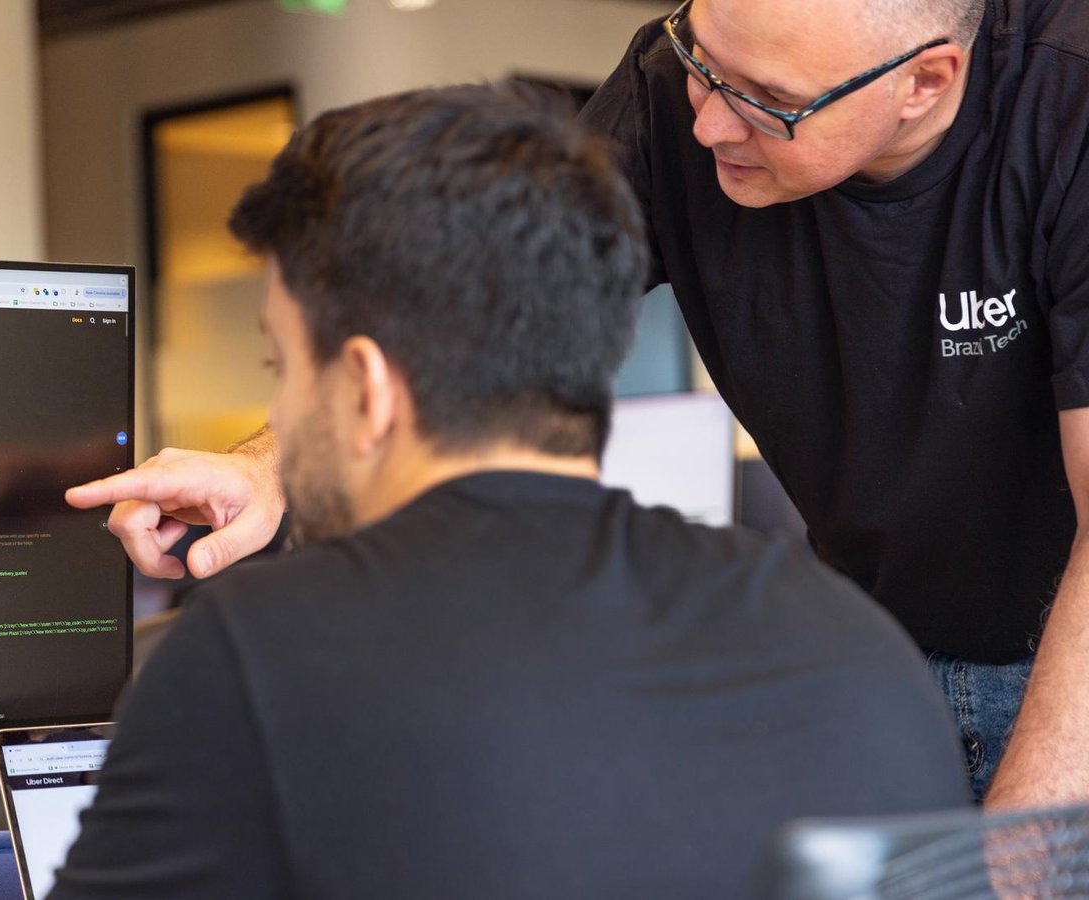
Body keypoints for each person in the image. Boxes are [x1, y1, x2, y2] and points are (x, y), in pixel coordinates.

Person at [67, 0, 1089, 807]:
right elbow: (469, 303)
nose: (707, 120)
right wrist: (265, 466)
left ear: (924, 82)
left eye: (765, 100)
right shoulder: (670, 94)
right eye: (701, 63)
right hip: (880, 656)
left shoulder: (1067, 105)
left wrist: (1011, 865)